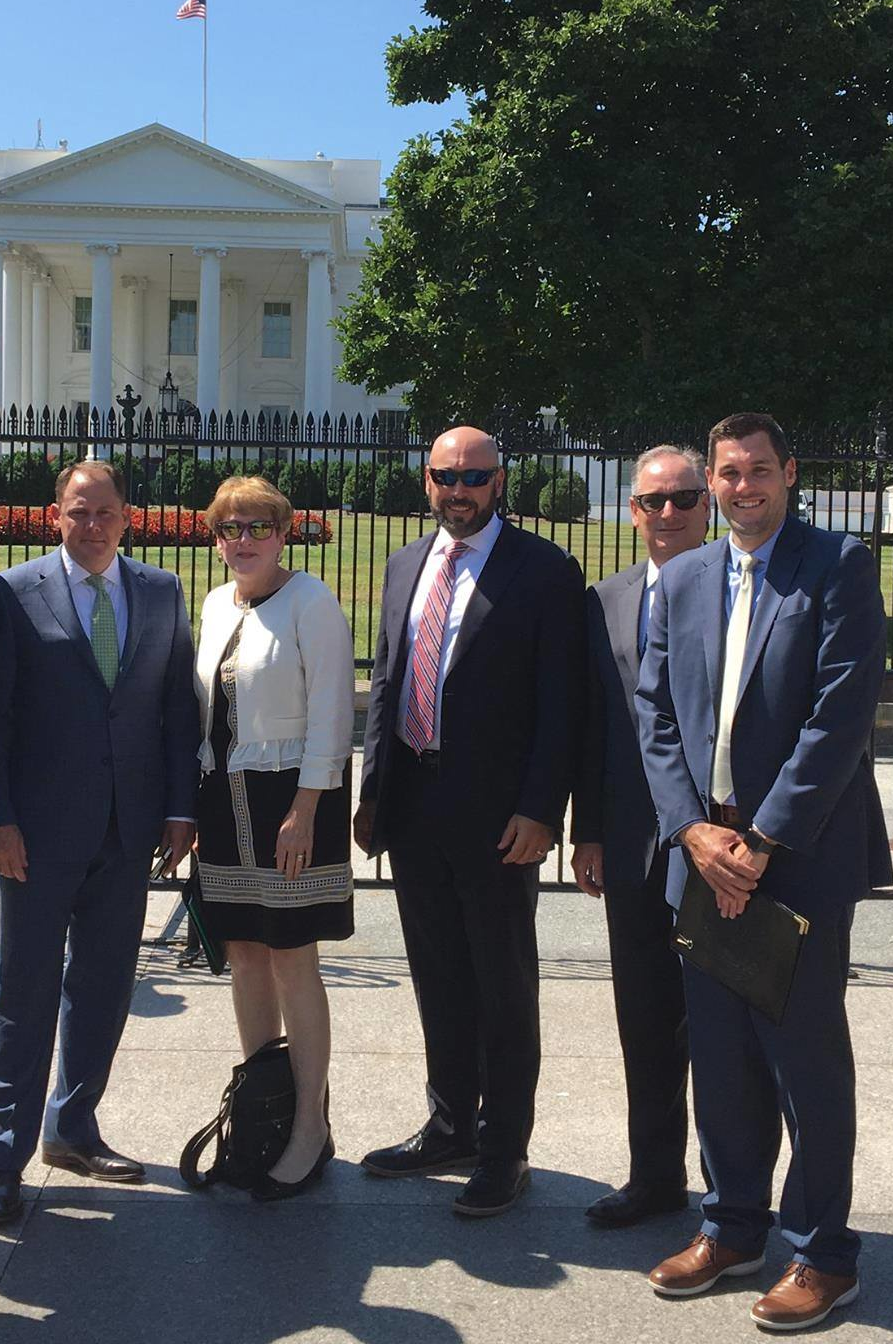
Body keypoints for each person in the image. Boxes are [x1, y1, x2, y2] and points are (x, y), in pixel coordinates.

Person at [636, 412, 890, 1333]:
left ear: (790, 473)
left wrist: (764, 841)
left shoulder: (837, 564)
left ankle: (826, 1254)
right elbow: (654, 712)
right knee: (722, 1055)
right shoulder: (686, 576)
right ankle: (733, 1224)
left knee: (804, 1059)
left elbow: (840, 715)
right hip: (705, 856)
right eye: (727, 474)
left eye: (758, 472)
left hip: (800, 857)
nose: (742, 489)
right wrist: (693, 833)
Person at [355, 425, 586, 1217]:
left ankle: (504, 1147)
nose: (460, 489)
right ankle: (450, 1124)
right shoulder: (404, 563)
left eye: (475, 476)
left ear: (500, 481)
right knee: (437, 974)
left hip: (498, 818)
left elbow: (562, 707)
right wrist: (372, 792)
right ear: (427, 481)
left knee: (502, 983)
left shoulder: (545, 571)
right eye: (446, 475)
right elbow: (387, 681)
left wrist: (540, 810)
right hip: (414, 805)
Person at [0, 460, 200, 1225]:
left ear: (128, 516)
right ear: (55, 516)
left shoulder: (162, 592)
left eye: (105, 512)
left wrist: (179, 810)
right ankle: (4, 1156)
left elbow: (176, 712)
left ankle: (72, 1129)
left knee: (104, 988)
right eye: (79, 512)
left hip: (129, 828)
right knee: (25, 992)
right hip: (35, 836)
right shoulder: (13, 593)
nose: (92, 525)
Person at [194, 476, 355, 1200]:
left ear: (285, 532)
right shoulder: (212, 604)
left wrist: (307, 807)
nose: (244, 540)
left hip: (291, 798)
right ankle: (266, 1106)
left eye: (259, 526)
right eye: (231, 527)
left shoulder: (311, 602)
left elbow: (332, 714)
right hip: (224, 803)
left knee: (293, 958)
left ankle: (311, 1126)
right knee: (245, 955)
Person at [571, 445, 710, 1227]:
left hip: (721, 844)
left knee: (725, 1024)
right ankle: (654, 1178)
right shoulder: (607, 599)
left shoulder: (739, 585)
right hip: (631, 843)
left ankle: (735, 1194)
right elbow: (595, 725)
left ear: (706, 506)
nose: (668, 513)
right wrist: (587, 830)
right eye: (652, 500)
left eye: (683, 498)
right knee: (646, 1021)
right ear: (632, 510)